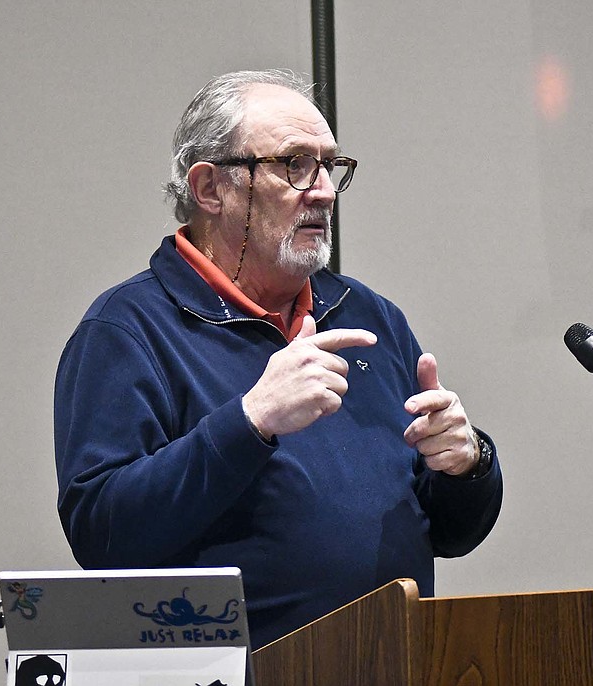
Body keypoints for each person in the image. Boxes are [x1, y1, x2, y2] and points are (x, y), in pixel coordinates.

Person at [53, 69, 503, 648]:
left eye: (330, 166)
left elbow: (448, 531)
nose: (322, 189)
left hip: (395, 662)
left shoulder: (369, 316)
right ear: (211, 187)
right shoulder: (128, 330)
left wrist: (467, 465)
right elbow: (102, 536)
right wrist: (250, 423)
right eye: (294, 165)